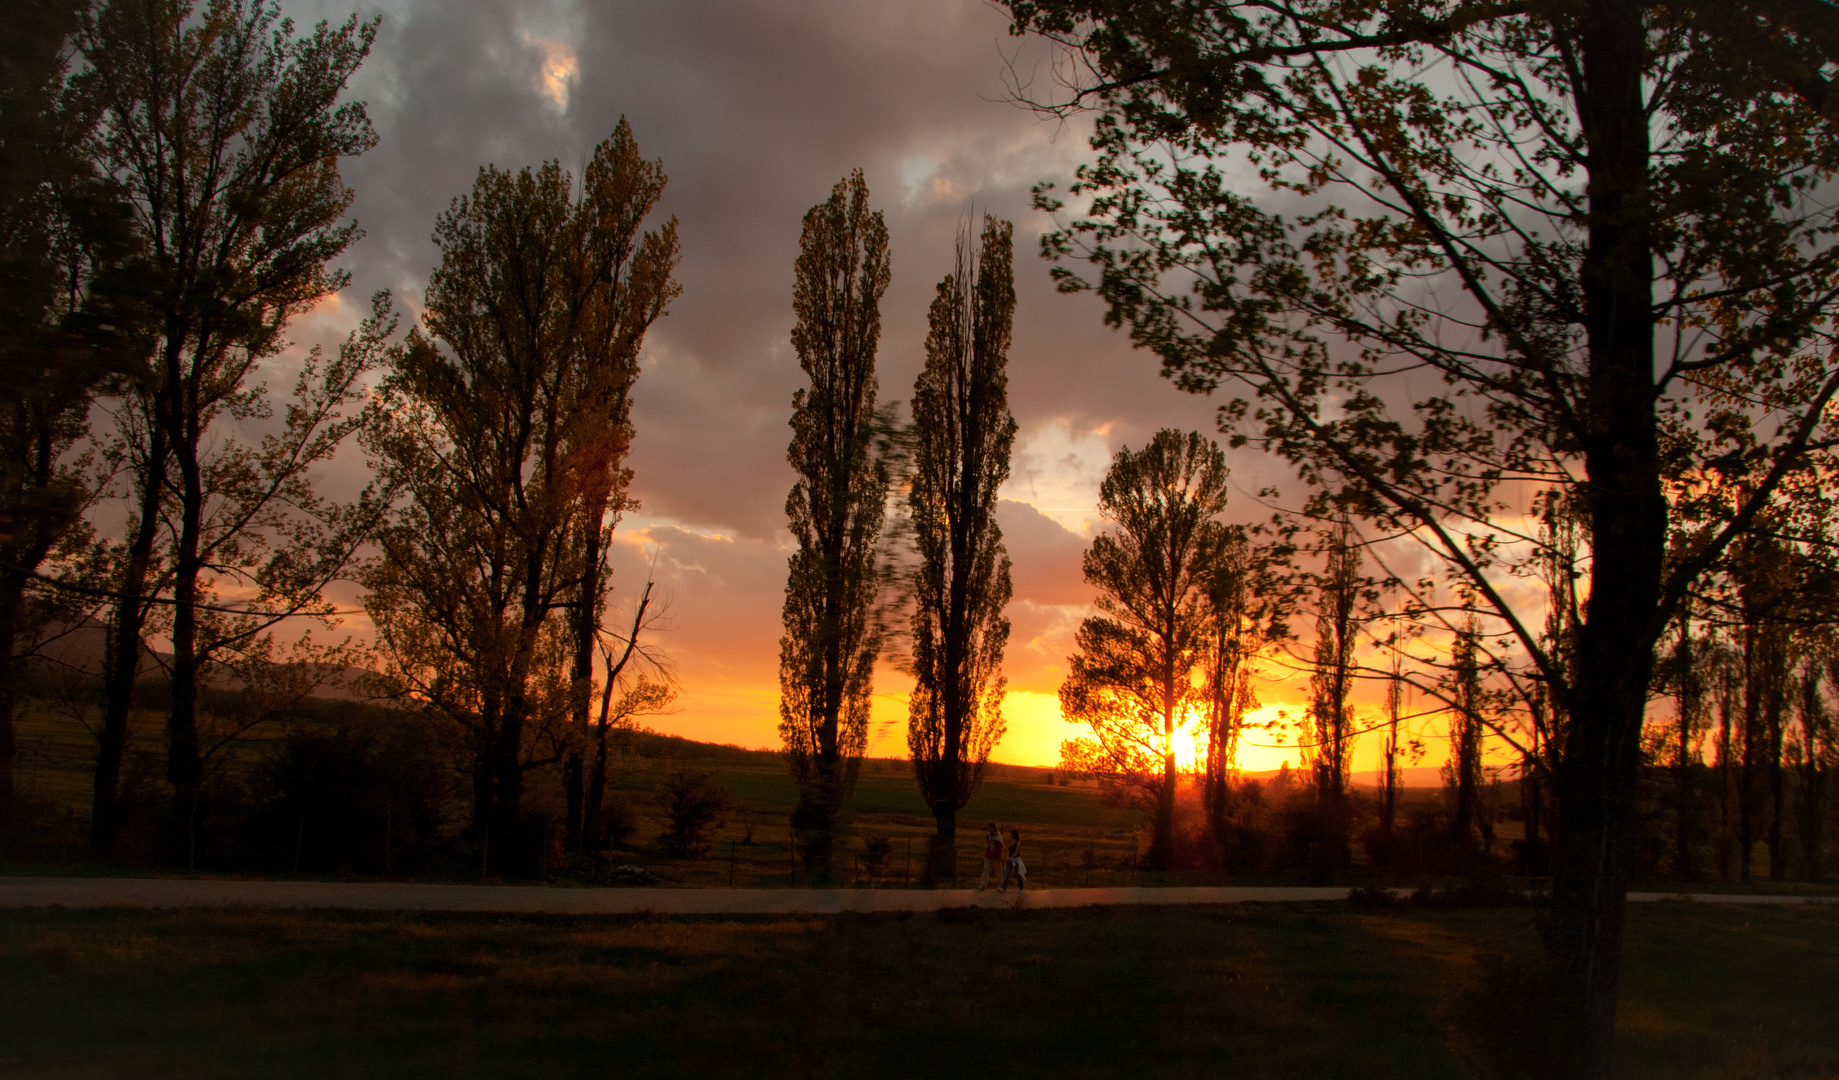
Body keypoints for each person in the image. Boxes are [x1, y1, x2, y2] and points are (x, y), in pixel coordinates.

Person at [978, 823, 1003, 890]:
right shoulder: (988, 836)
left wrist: (1000, 857)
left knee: (998, 871)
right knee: (986, 869)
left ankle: (1001, 884)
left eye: (990, 828)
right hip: (988, 855)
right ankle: (982, 885)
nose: (989, 830)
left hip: (995, 856)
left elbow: (1000, 848)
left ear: (993, 828)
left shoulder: (998, 837)